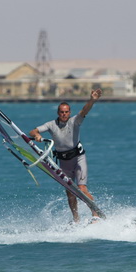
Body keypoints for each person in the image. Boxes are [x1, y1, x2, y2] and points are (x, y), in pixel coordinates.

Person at [29, 89, 102, 223]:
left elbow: (85, 110)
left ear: (69, 112)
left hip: (78, 157)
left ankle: (95, 215)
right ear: (58, 113)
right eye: (62, 112)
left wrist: (92, 100)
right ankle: (76, 220)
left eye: (66, 112)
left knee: (81, 188)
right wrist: (37, 135)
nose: (64, 114)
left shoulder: (75, 121)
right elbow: (33, 131)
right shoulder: (51, 124)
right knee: (70, 191)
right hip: (64, 161)